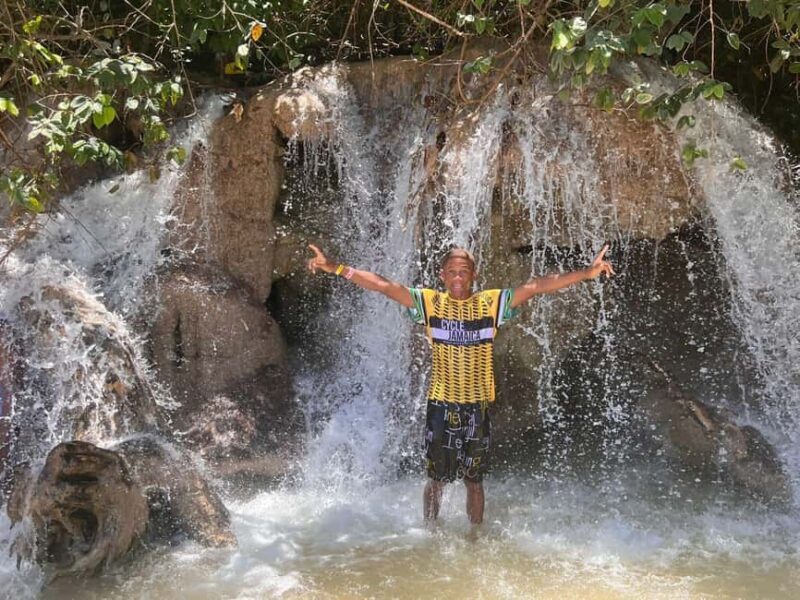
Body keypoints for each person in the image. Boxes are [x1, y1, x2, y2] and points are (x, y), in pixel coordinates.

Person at [307, 243, 614, 527]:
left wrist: (587, 273)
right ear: (442, 275)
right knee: (437, 479)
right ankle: (430, 531)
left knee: (474, 481)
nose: (458, 277)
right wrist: (334, 267)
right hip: (441, 406)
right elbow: (384, 286)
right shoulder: (429, 303)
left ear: (473, 275)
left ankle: (474, 539)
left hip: (477, 409)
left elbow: (535, 286)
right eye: (452, 272)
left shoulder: (490, 304)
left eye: (463, 272)